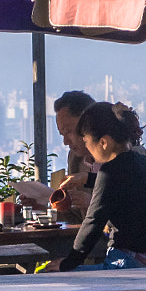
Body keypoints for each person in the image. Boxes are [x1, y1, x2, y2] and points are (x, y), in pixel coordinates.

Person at [59, 102, 146, 269]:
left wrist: (67, 264)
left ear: (104, 142)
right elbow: (123, 187)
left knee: (53, 276)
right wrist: (88, 179)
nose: (87, 149)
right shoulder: (144, 162)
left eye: (87, 141)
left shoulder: (110, 170)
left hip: (130, 262)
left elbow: (93, 223)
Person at [45, 90, 97, 218]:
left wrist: (92, 204)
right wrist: (42, 208)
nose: (65, 142)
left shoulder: (126, 158)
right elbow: (76, 217)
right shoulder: (75, 158)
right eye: (62, 134)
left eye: (69, 132)